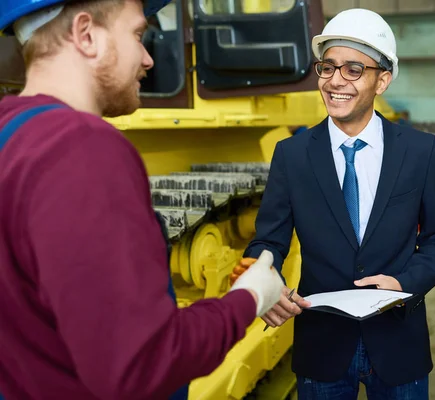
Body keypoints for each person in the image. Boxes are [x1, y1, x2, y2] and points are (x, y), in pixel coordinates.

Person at [0, 1, 285, 399]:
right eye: (137, 34)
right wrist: (251, 297)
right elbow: (142, 365)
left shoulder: (10, 131)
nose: (148, 58)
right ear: (86, 34)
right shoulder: (82, 148)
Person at [231, 8, 435, 400]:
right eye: (327, 67)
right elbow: (269, 240)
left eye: (353, 69)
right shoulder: (292, 155)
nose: (336, 81)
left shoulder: (420, 152)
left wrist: (404, 284)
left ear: (382, 80)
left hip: (398, 341)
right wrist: (266, 285)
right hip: (322, 345)